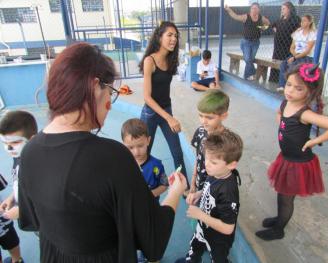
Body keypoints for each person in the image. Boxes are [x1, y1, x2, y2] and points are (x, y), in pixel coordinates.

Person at [18, 42, 188, 263]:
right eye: (110, 92)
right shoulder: (113, 157)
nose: (109, 103)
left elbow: (31, 221)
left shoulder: (29, 151)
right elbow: (153, 240)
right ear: (95, 87)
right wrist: (175, 190)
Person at [255, 63, 328, 241]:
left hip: (297, 163)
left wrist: (314, 141)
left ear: (309, 92)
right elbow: (279, 112)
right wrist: (281, 125)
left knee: (286, 198)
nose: (290, 91)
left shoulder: (305, 114)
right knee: (282, 193)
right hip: (286, 158)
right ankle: (279, 218)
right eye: (288, 84)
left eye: (298, 88)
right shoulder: (286, 102)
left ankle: (279, 229)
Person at [176, 129, 243, 263]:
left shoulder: (228, 191)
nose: (206, 164)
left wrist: (201, 215)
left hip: (219, 238)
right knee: (194, 247)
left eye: (213, 162)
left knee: (218, 258)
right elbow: (209, 188)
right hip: (203, 228)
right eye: (206, 158)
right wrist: (198, 194)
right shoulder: (215, 173)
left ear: (231, 164)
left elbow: (228, 228)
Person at [139, 21, 190, 193]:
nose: (173, 39)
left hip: (166, 109)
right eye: (169, 35)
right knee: (143, 154)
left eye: (175, 36)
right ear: (159, 37)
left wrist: (168, 115)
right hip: (150, 114)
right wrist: (169, 118)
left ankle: (184, 189)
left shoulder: (171, 59)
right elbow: (146, 96)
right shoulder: (149, 60)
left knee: (177, 153)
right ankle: (140, 189)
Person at [121, 118, 168, 263]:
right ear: (123, 144)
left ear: (148, 140)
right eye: (130, 147)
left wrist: (149, 195)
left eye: (140, 145)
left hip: (149, 210)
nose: (136, 151)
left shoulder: (156, 165)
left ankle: (146, 255)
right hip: (129, 211)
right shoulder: (122, 163)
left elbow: (164, 185)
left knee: (147, 236)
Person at [0, 110, 37, 263]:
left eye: (14, 142)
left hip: (42, 221)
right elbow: (18, 183)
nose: (9, 149)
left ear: (32, 139)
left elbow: (47, 199)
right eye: (4, 143)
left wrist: (23, 211)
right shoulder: (18, 156)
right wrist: (12, 198)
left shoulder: (36, 165)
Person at [190, 90, 230, 193]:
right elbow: (198, 157)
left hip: (214, 190)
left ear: (224, 116)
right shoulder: (200, 131)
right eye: (200, 115)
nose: (203, 121)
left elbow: (225, 172)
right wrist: (193, 180)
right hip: (199, 182)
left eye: (209, 117)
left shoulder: (227, 141)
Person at [225, 3, 270, 80]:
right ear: (250, 9)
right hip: (246, 42)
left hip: (256, 42)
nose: (254, 10)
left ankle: (246, 77)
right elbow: (235, 16)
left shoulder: (261, 18)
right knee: (248, 59)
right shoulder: (246, 17)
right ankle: (253, 73)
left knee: (250, 60)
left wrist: (262, 28)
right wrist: (229, 10)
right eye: (252, 8)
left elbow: (268, 23)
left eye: (256, 8)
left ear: (259, 10)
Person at [277, 14, 317, 92]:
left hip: (306, 57)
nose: (302, 22)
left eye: (304, 21)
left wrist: (295, 57)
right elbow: (292, 47)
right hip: (295, 54)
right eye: (301, 21)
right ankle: (282, 85)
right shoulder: (298, 32)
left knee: (293, 67)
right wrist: (295, 55)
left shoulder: (312, 33)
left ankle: (295, 87)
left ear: (309, 22)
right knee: (283, 65)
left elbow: (307, 51)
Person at [269, 1, 300, 82]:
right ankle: (274, 79)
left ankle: (284, 80)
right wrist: (276, 29)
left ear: (289, 9)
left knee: (285, 63)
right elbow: (273, 25)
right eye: (281, 9)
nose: (282, 10)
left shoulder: (296, 19)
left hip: (287, 45)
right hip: (278, 46)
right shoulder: (281, 19)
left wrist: (293, 35)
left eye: (283, 9)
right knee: (276, 61)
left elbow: (299, 30)